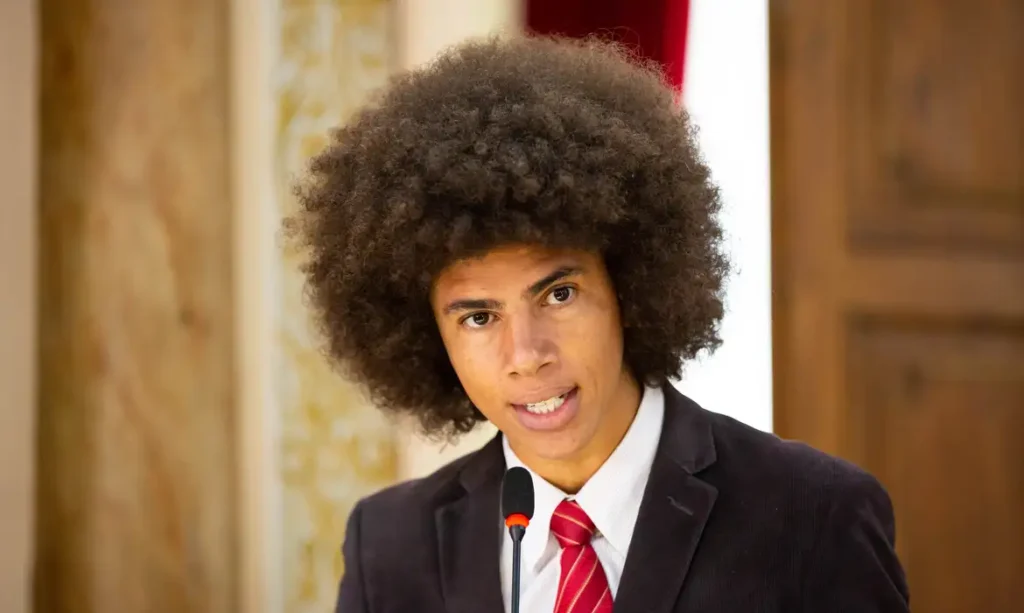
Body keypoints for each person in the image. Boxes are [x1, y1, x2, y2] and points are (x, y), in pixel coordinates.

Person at [289, 35, 909, 613]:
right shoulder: (389, 545)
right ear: (429, 337)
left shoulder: (816, 517)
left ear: (630, 284)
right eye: (479, 317)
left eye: (558, 294)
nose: (526, 354)